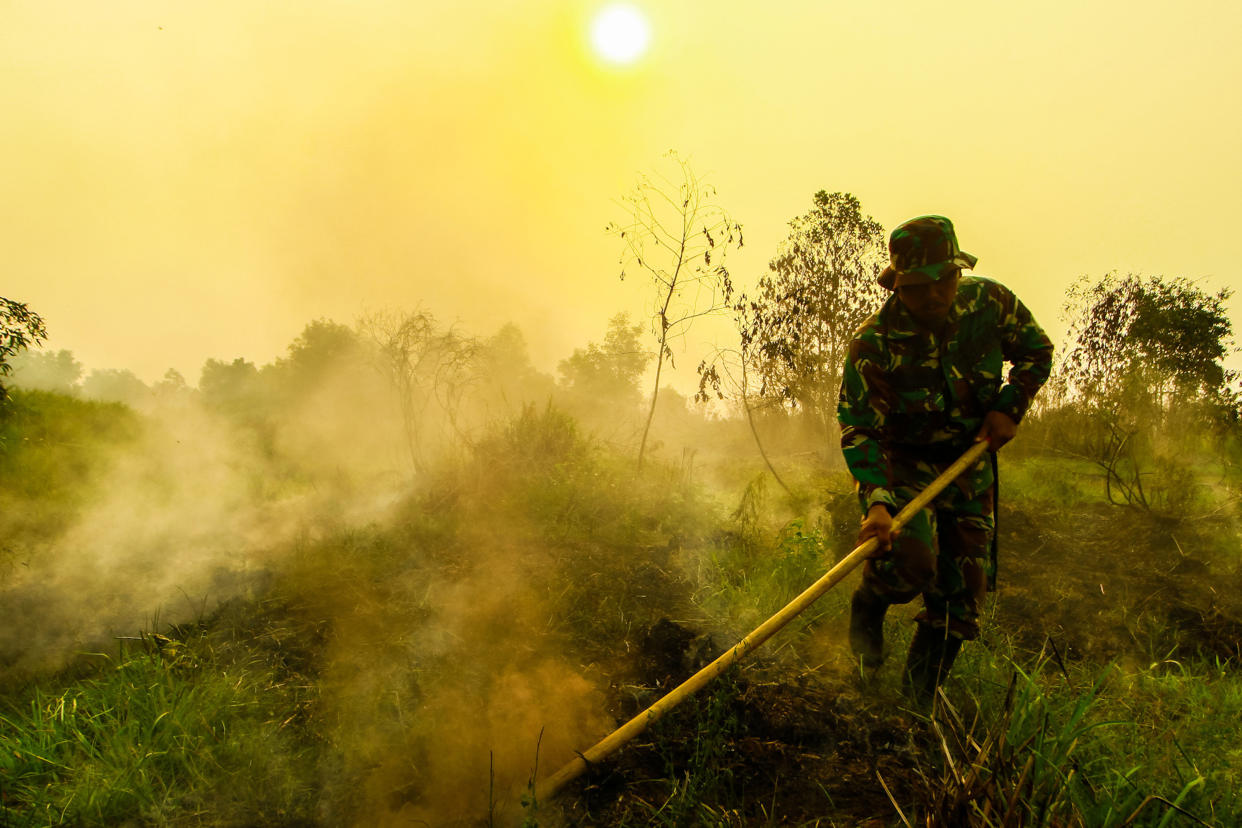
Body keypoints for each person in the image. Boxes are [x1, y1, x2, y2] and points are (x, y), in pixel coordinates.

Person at [837, 215, 1053, 702]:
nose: (935, 294)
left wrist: (1008, 406)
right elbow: (860, 427)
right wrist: (877, 503)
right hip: (903, 461)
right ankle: (870, 602)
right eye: (919, 286)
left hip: (969, 459)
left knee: (961, 596)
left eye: (945, 280)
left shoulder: (989, 304)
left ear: (959, 272)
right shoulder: (874, 343)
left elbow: (1037, 352)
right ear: (898, 285)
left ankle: (915, 708)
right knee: (910, 562)